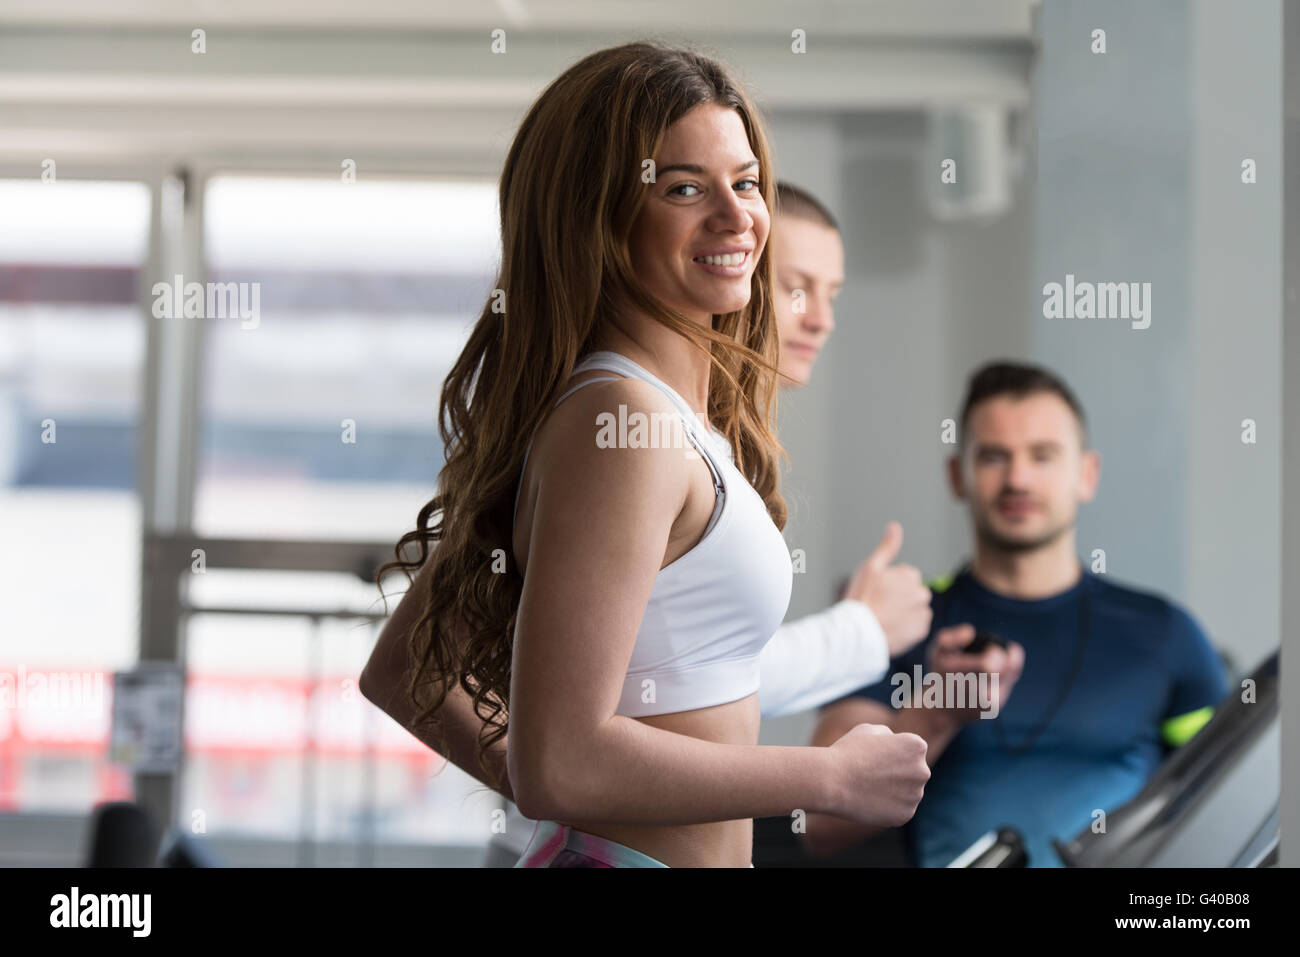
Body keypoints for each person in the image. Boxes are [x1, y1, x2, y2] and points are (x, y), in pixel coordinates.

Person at [359, 42, 931, 868]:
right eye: (685, 188)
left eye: (746, 182)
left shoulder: (653, 415)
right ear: (599, 215)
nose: (737, 218)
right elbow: (559, 760)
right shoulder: (621, 422)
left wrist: (583, 816)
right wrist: (826, 776)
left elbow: (412, 672)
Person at [802, 362, 1230, 867]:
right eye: (994, 457)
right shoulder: (898, 623)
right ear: (958, 476)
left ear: (1086, 475)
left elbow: (1224, 808)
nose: (1018, 479)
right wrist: (935, 716)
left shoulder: (1164, 634)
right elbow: (818, 824)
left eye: (1043, 456)